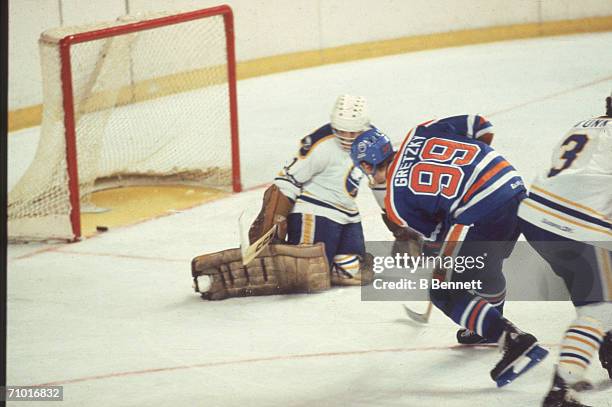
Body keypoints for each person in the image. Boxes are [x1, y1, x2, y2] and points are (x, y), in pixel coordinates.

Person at [349, 116, 548, 387]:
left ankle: (510, 338)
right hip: (513, 186)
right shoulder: (420, 131)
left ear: (365, 165)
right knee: (485, 266)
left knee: (443, 290)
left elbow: (437, 239)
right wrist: (473, 171)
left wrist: (433, 258)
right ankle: (484, 323)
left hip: (480, 211)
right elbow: (481, 125)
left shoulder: (396, 201)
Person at [518, 91, 612, 407]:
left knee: (597, 292)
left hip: (535, 217)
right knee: (600, 307)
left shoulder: (584, 125)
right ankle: (561, 391)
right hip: (576, 224)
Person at [248, 95, 375, 285]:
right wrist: (275, 220)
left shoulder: (374, 141)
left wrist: (399, 228)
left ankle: (326, 261)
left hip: (348, 214)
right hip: (315, 210)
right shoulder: (320, 144)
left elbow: (384, 180)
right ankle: (272, 262)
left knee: (350, 272)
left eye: (353, 133)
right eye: (341, 131)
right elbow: (287, 180)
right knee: (307, 273)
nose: (347, 138)